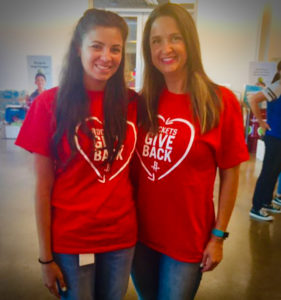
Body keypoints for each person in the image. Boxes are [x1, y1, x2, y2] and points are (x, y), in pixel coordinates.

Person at [15, 8, 138, 300]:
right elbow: (42, 189)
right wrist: (45, 258)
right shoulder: (48, 104)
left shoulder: (133, 103)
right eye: (97, 46)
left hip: (121, 239)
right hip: (71, 241)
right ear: (78, 49)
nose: (106, 56)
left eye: (115, 49)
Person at [131, 3, 249, 300]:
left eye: (174, 38)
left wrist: (219, 235)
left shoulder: (219, 101)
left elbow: (230, 174)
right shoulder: (143, 102)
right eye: (156, 41)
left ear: (189, 42)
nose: (165, 48)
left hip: (187, 241)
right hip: (139, 236)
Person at [249, 61, 281, 221]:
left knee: (274, 172)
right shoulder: (278, 86)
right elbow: (254, 99)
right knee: (267, 173)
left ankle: (267, 202)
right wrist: (261, 122)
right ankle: (256, 207)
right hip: (274, 137)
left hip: (279, 138)